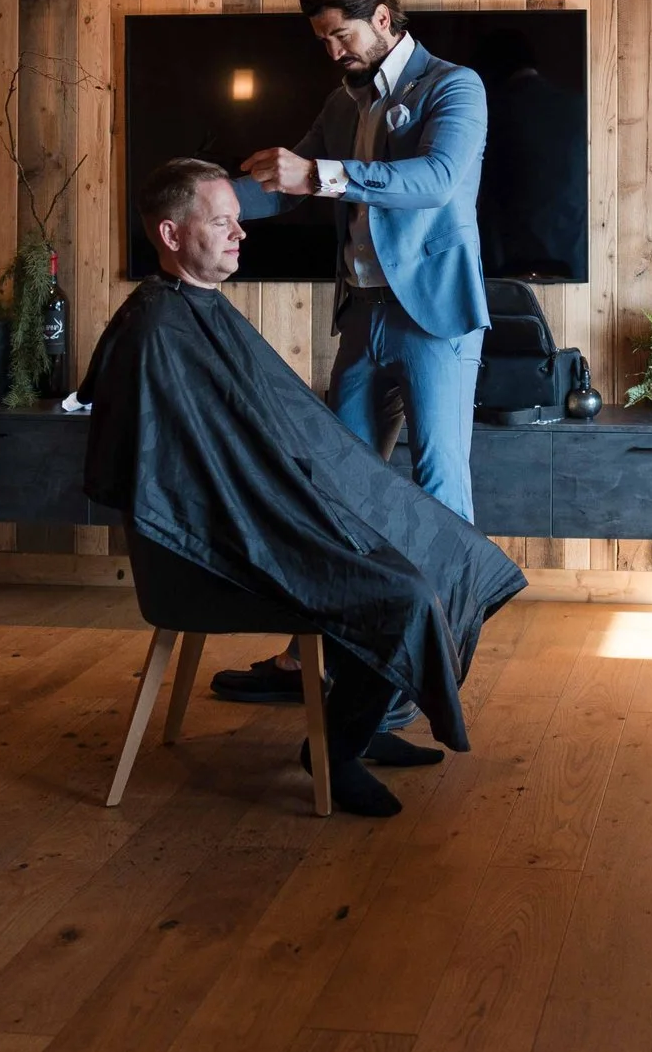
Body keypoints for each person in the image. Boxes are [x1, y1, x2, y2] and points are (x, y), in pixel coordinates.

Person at [78, 159, 523, 816]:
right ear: (171, 235)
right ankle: (332, 751)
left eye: (238, 219)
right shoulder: (156, 332)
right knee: (397, 590)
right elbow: (188, 478)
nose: (240, 234)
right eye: (221, 221)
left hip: (263, 513)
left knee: (447, 548)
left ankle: (362, 723)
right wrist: (299, 509)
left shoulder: (197, 310)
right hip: (221, 549)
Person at [211, 0, 492, 740]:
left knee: (436, 491)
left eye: (342, 33)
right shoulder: (342, 102)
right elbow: (287, 187)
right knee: (337, 494)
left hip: (434, 318)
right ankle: (323, 661)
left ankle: (431, 668)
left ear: (385, 16)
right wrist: (206, 199)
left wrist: (325, 173)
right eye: (323, 40)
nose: (332, 51)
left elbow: (438, 179)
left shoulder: (452, 86)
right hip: (362, 315)